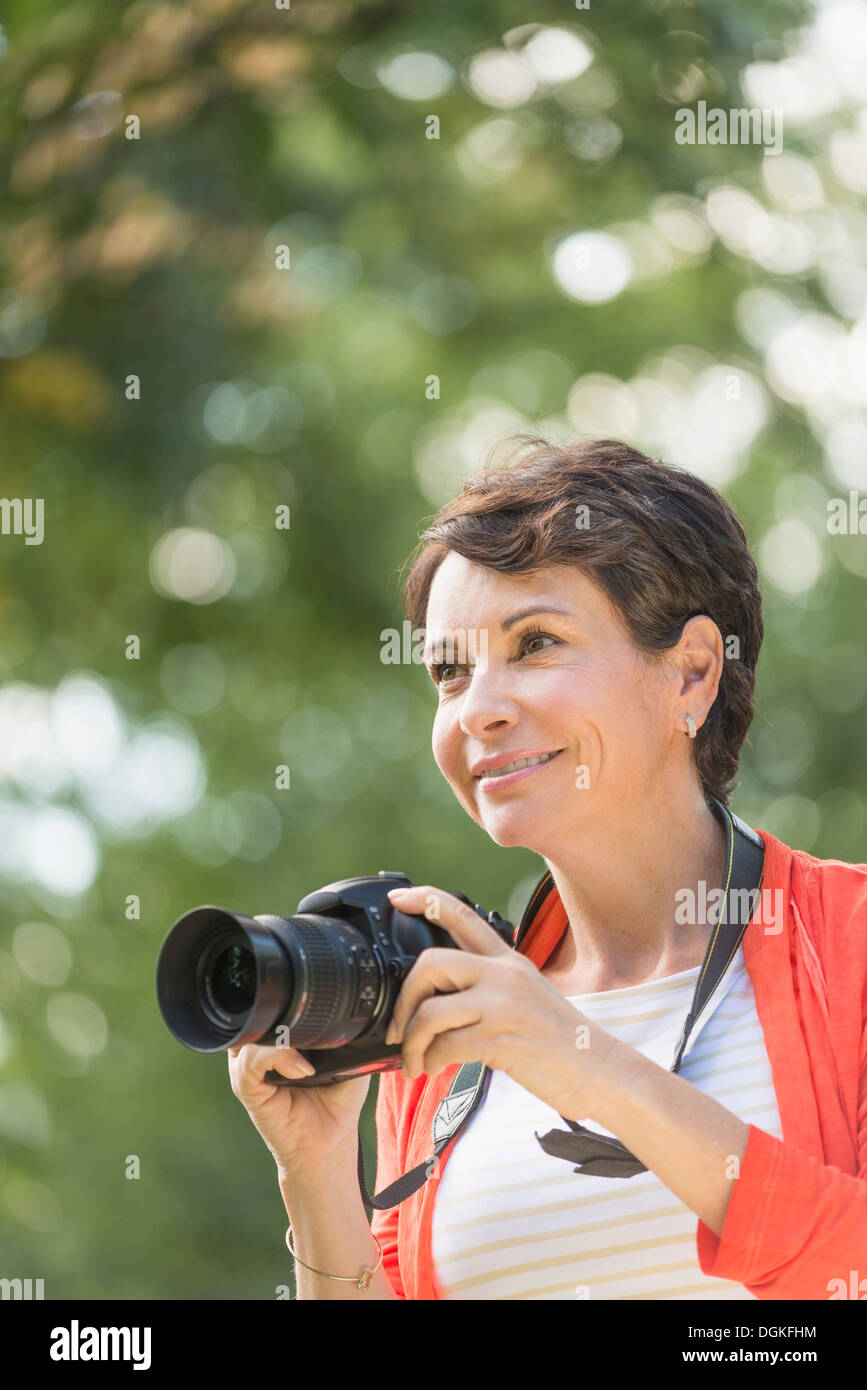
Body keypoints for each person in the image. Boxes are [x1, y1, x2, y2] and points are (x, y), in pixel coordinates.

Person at [229, 434, 867, 1299]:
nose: (478, 710)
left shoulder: (850, 947)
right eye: (449, 672)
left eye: (534, 644)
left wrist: (584, 1063)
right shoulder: (452, 1015)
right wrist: (315, 1175)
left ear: (689, 675)